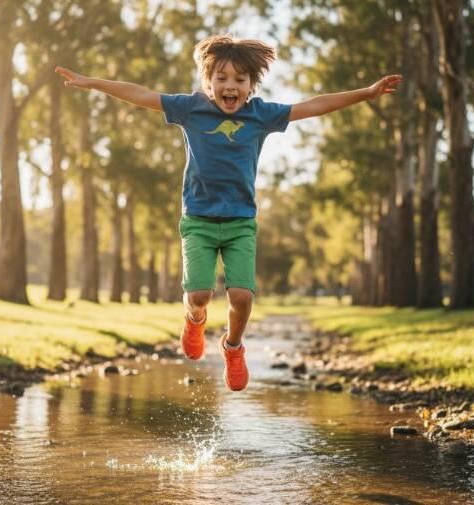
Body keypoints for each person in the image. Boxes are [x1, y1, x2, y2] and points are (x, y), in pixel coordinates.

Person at [56, 34, 401, 391]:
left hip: (240, 223)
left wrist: (366, 93)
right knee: (200, 295)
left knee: (241, 296)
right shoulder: (191, 108)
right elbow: (141, 94)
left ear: (251, 85)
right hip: (199, 221)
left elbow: (314, 106)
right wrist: (93, 83)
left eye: (239, 79)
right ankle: (195, 319)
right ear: (208, 83)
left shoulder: (261, 114)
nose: (229, 86)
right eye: (221, 78)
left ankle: (233, 347)